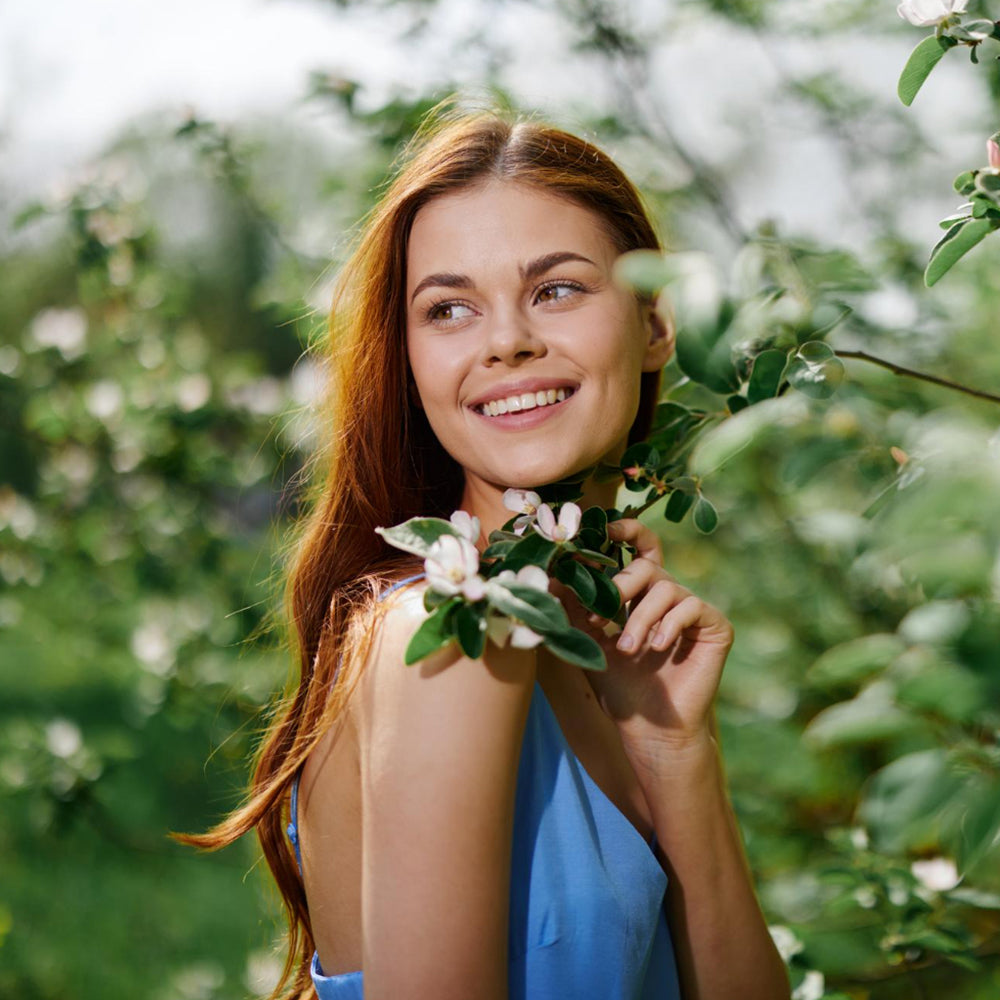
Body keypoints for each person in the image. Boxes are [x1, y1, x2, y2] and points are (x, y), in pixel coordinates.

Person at [182, 105, 790, 1000]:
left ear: (655, 323)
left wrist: (674, 751)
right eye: (450, 308)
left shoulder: (601, 646)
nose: (506, 341)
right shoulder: (456, 634)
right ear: (412, 358)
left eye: (557, 290)